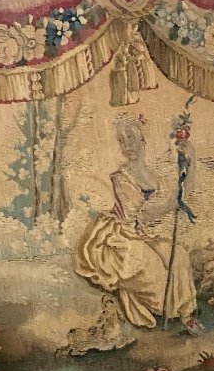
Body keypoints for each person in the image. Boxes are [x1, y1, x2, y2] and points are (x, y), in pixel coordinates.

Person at [74, 112, 200, 332]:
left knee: (178, 253)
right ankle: (164, 308)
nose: (126, 146)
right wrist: (174, 202)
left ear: (144, 139)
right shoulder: (122, 177)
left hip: (141, 233)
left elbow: (177, 199)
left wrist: (191, 163)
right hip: (118, 237)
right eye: (121, 140)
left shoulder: (154, 177)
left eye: (131, 138)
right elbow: (144, 214)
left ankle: (185, 313)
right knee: (149, 265)